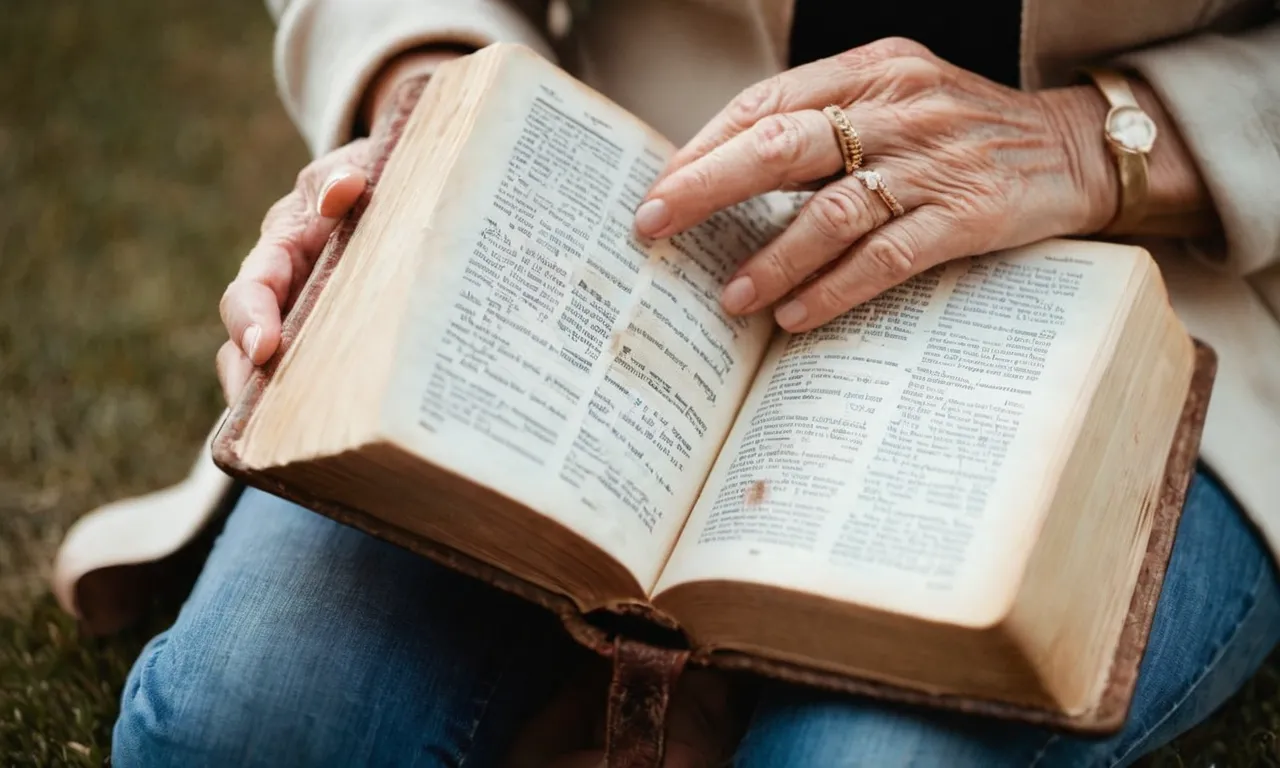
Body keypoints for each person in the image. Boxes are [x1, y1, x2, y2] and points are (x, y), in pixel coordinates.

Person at [109, 0, 1280, 765]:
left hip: (1155, 291)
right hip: (633, 216)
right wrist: (436, 110)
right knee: (249, 721)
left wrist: (1100, 142)